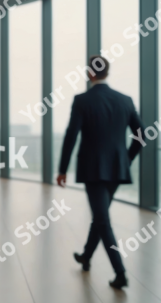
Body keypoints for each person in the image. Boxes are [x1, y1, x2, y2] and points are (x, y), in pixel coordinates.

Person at [57, 55, 145, 290]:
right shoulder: (125, 100)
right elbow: (142, 135)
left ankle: (120, 273)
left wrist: (62, 169)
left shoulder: (82, 100)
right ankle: (86, 256)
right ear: (107, 72)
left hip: (93, 168)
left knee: (103, 220)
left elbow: (71, 136)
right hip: (117, 168)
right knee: (101, 215)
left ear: (89, 73)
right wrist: (126, 158)